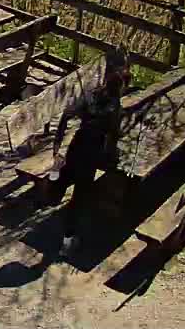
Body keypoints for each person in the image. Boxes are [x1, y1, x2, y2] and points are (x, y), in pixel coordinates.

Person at [51, 53, 130, 256]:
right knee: (80, 196)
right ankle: (68, 241)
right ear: (120, 87)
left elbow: (68, 114)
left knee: (67, 173)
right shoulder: (115, 107)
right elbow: (112, 136)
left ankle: (53, 192)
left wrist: (57, 143)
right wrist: (113, 156)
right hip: (92, 150)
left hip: (77, 143)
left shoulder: (92, 95)